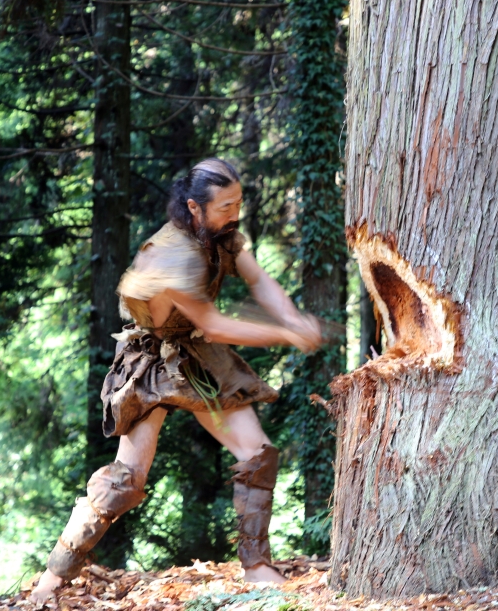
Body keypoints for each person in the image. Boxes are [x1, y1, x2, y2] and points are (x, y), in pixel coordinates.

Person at [30, 158, 323, 604]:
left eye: (238, 203)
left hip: (197, 351)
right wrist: (286, 335)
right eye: (226, 206)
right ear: (194, 207)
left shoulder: (221, 235)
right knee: (125, 480)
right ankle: (51, 581)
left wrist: (294, 316)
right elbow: (217, 324)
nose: (235, 214)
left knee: (257, 454)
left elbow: (259, 281)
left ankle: (259, 568)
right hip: (151, 361)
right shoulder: (175, 255)